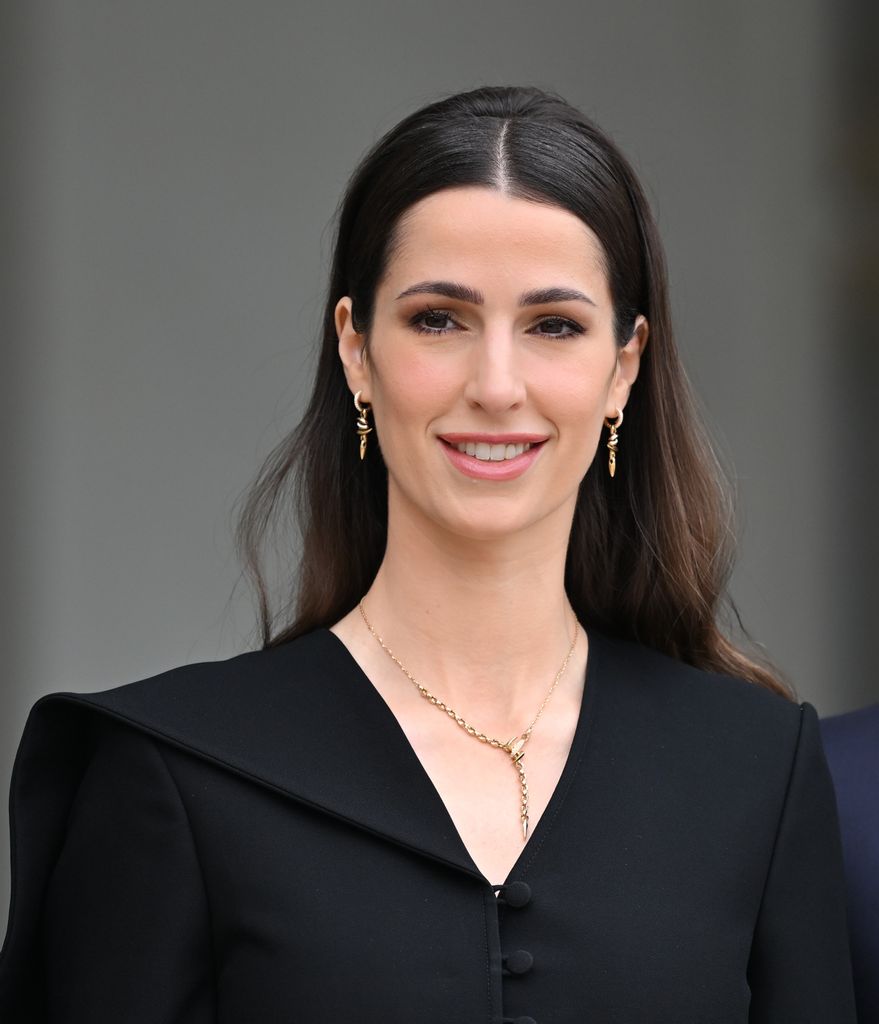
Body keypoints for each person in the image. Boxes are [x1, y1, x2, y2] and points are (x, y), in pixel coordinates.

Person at [0, 84, 857, 1022]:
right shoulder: (174, 772)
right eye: (439, 319)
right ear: (355, 349)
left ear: (623, 369)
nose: (495, 385)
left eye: (553, 326)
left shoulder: (755, 770)